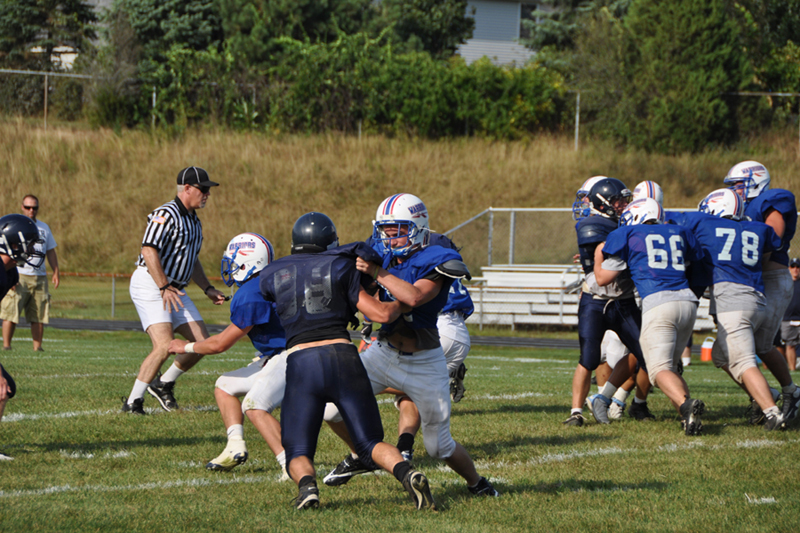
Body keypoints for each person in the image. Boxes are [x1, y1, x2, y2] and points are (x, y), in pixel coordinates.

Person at [257, 212, 436, 511]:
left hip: (301, 360)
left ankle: (307, 488)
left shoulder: (274, 272)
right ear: (331, 241)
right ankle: (408, 474)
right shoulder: (341, 264)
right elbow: (378, 315)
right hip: (342, 356)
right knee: (368, 443)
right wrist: (399, 304)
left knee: (297, 448)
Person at [323, 194, 498, 497]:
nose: (390, 237)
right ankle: (364, 455)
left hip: (424, 362)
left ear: (418, 226)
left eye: (398, 230)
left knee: (439, 446)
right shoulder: (383, 253)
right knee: (330, 409)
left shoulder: (439, 257)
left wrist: (377, 273)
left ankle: (477, 483)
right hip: (383, 352)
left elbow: (414, 297)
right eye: (386, 230)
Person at [169, 233, 289, 476]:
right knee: (224, 386)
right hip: (283, 354)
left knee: (254, 405)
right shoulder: (274, 278)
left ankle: (290, 463)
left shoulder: (250, 294)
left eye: (234, 262)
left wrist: (184, 347)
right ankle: (235, 446)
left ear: (248, 263)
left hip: (290, 357)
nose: (230, 268)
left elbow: (219, 344)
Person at [595, 198, 707, 435]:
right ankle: (687, 417)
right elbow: (695, 263)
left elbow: (603, 278)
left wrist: (597, 257)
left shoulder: (629, 233)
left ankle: (686, 405)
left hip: (659, 302)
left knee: (658, 370)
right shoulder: (679, 231)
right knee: (671, 369)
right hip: (687, 301)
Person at [676, 189, 786, 430]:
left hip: (733, 301)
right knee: (720, 355)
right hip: (757, 298)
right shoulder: (757, 228)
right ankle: (768, 393)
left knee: (743, 360)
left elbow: (671, 222)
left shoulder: (703, 222)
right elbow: (772, 246)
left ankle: (772, 413)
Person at [122, 167, 227, 415]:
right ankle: (132, 402)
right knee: (164, 344)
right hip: (151, 282)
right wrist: (163, 286)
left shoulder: (194, 221)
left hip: (173, 288)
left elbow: (190, 260)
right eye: (203, 190)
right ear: (187, 188)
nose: (207, 195)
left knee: (203, 343)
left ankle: (163, 383)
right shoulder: (165, 214)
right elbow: (148, 251)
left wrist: (207, 288)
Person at [565, 178, 651, 426]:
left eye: (625, 200)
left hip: (623, 300)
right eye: (618, 201)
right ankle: (576, 412)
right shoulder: (593, 224)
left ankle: (605, 398)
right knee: (589, 358)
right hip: (595, 301)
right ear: (602, 204)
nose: (623, 205)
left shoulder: (623, 223)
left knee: (645, 353)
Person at [724, 161, 800, 424]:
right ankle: (775, 393)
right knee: (733, 349)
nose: (735, 190)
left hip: (772, 276)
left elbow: (772, 239)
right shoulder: (742, 207)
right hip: (755, 279)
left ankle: (789, 392)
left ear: (754, 180)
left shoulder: (772, 199)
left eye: (737, 185)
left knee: (760, 344)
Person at [0, 214, 45, 460]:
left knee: (7, 389)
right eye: (26, 243)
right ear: (11, 243)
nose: (30, 249)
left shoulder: (10, 274)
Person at [1, 195, 59, 352]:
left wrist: (55, 271)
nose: (31, 210)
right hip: (19, 276)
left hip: (38, 276)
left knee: (38, 314)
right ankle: (6, 345)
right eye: (28, 207)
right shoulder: (14, 227)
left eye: (34, 207)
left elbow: (50, 250)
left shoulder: (43, 227)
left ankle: (37, 347)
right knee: (11, 312)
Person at [780, 258, 800, 372]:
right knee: (790, 344)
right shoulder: (784, 284)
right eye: (793, 267)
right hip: (787, 319)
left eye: (798, 267)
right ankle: (792, 369)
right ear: (789, 269)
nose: (795, 270)